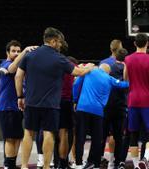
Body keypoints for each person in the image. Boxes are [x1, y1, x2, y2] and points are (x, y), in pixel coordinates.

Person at [15, 27, 94, 169]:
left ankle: (24, 166)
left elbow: (18, 76)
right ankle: (46, 166)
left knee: (28, 133)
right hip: (50, 105)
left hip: (31, 102)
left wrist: (20, 96)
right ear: (53, 41)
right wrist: (90, 67)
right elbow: (78, 72)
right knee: (48, 134)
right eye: (59, 42)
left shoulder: (30, 55)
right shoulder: (59, 58)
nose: (60, 45)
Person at [73, 63, 129, 169]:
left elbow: (76, 84)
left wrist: (75, 100)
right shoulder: (109, 78)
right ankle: (96, 164)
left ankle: (78, 163)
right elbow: (123, 85)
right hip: (98, 111)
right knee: (97, 138)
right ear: (108, 72)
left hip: (83, 107)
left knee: (80, 136)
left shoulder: (89, 71)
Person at [124, 33, 149, 169]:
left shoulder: (127, 59)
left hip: (133, 100)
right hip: (148, 100)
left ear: (135, 44)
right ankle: (145, 158)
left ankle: (136, 165)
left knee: (133, 134)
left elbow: (126, 79)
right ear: (147, 44)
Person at [0, 40, 37, 169]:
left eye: (18, 51)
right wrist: (25, 51)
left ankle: (12, 163)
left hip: (18, 108)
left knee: (17, 137)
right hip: (6, 107)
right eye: (13, 51)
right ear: (7, 53)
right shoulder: (6, 64)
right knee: (9, 138)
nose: (16, 53)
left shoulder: (22, 70)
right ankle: (8, 165)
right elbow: (12, 68)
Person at [101, 48, 129, 168]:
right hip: (120, 106)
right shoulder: (127, 68)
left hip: (106, 105)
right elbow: (127, 86)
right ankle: (117, 162)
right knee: (118, 136)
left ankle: (98, 160)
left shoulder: (107, 67)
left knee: (102, 135)